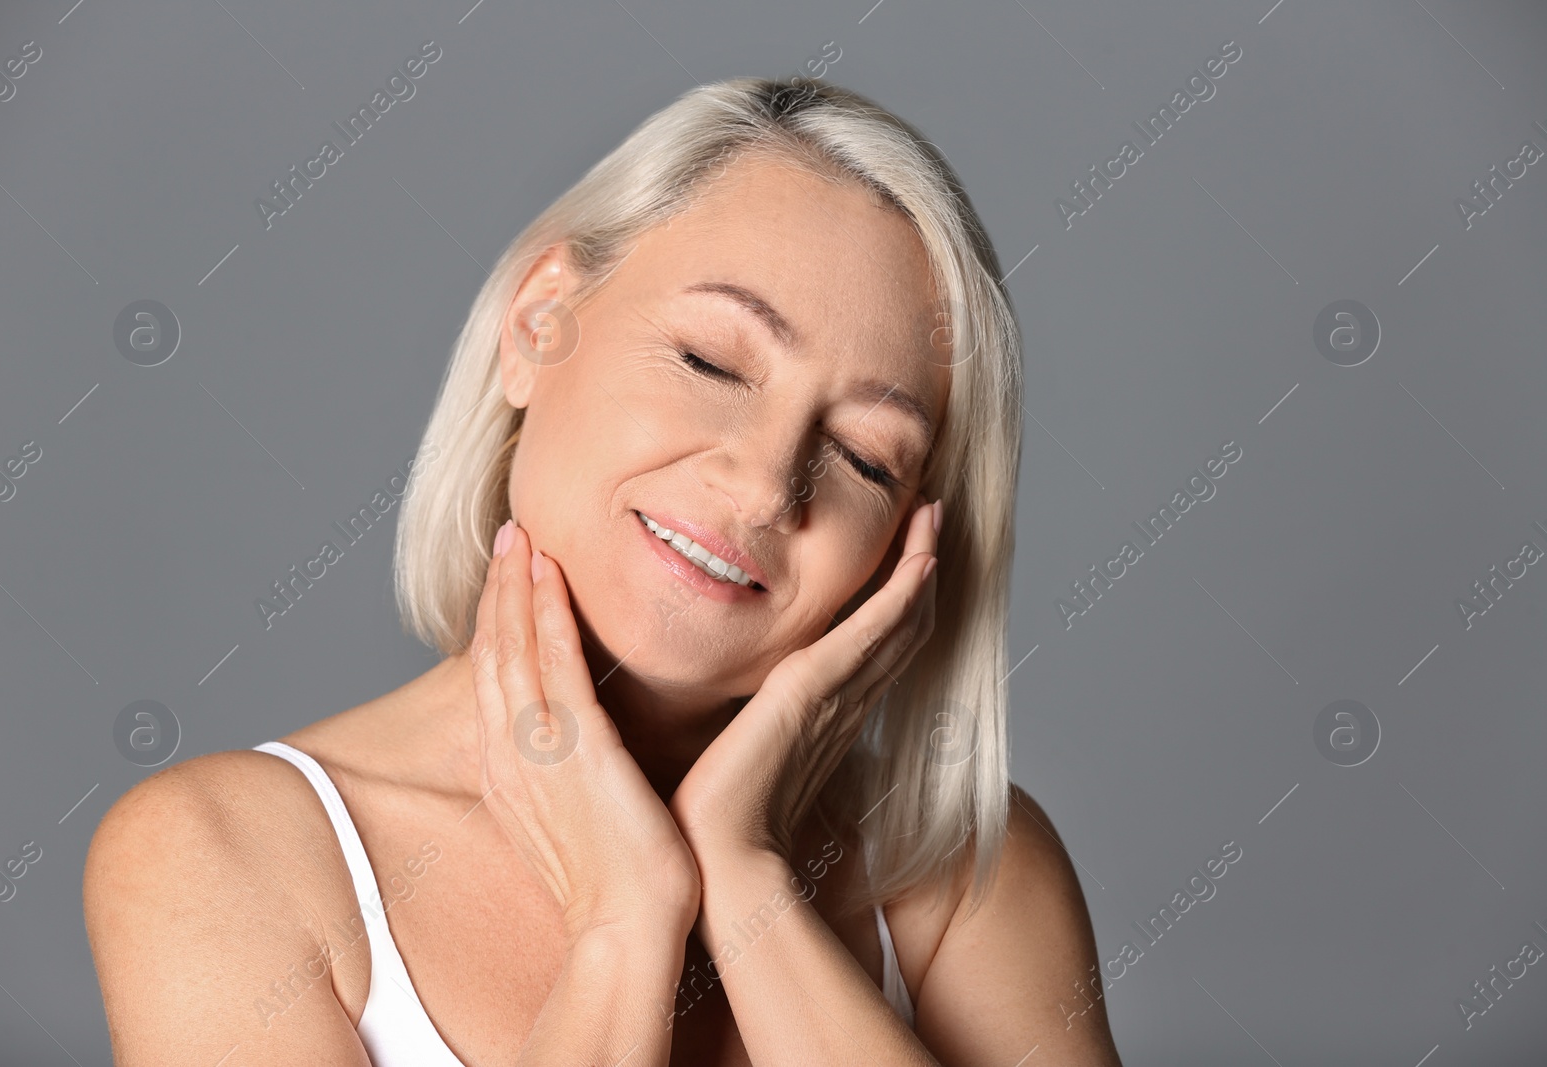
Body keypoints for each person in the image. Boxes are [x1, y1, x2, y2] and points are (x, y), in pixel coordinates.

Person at [83, 76, 1124, 1065]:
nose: (767, 483)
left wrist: (747, 874)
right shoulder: (220, 854)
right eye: (711, 362)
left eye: (863, 455)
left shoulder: (960, 875)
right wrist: (624, 920)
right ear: (541, 323)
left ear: (906, 540)